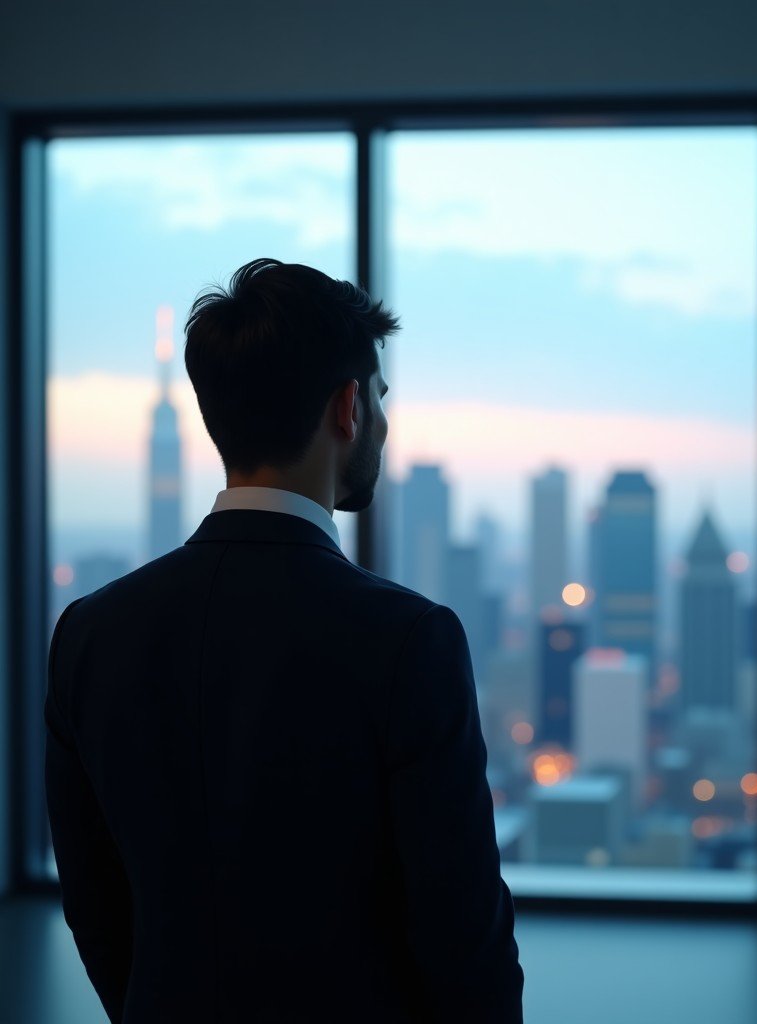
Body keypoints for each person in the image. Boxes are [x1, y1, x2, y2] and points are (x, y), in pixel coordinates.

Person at [44, 258, 524, 1023]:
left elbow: (94, 905)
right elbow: (461, 934)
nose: (385, 422)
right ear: (347, 408)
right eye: (379, 396)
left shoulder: (90, 634)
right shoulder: (409, 641)